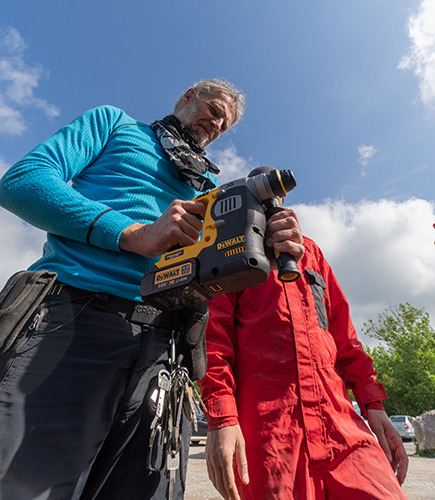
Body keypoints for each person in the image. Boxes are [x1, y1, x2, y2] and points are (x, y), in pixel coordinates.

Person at [0, 79, 299, 500]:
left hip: (166, 353)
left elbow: (221, 278)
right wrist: (133, 232)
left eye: (224, 124)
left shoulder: (206, 192)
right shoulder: (114, 124)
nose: (215, 123)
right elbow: (21, 182)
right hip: (74, 323)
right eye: (212, 109)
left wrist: (262, 242)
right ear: (186, 97)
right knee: (27, 487)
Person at [200, 209, 409, 500]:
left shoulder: (312, 253)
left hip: (340, 424)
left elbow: (346, 340)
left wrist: (373, 405)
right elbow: (213, 343)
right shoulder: (229, 250)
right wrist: (222, 420)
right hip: (270, 434)